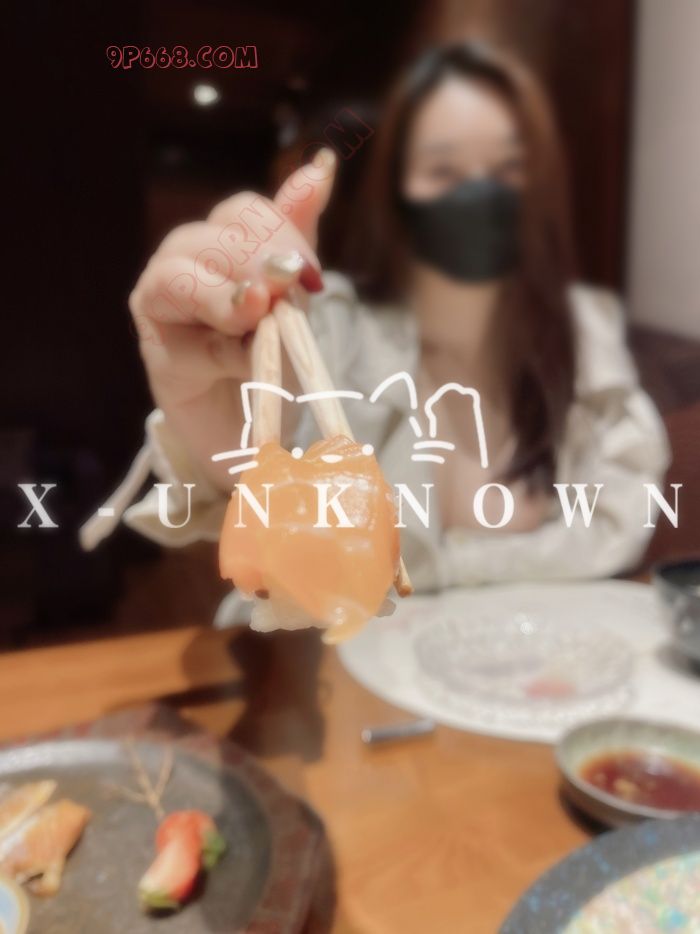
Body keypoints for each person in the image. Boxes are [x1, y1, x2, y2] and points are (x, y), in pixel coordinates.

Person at [81, 40, 669, 614]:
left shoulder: (585, 342)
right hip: (333, 673)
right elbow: (267, 552)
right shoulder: (325, 329)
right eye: (444, 169)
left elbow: (623, 526)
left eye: (508, 168)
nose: (479, 197)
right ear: (398, 195)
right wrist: (227, 448)